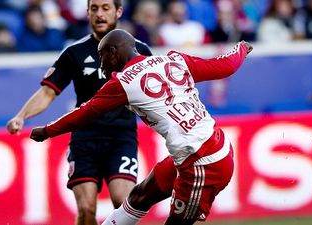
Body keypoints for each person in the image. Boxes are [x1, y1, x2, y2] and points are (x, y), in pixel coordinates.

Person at [30, 29, 253, 225]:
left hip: (203, 164)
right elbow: (225, 66)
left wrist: (48, 130)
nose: (101, 64)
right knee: (139, 196)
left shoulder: (123, 82)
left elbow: (84, 113)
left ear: (114, 52)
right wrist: (241, 48)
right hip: (202, 149)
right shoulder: (174, 60)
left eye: (102, 56)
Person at [6, 0, 152, 224]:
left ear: (119, 11)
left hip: (121, 137)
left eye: (106, 8)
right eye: (94, 9)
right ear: (87, 13)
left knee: (122, 203)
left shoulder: (140, 50)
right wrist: (21, 116)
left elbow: (154, 91)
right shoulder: (75, 52)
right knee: (86, 209)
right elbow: (48, 92)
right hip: (84, 139)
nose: (100, 14)